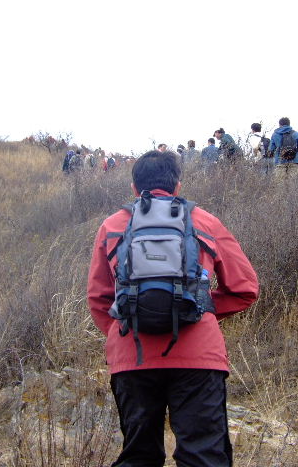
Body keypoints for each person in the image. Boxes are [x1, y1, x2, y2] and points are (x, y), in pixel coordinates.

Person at [87, 150, 259, 466]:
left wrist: (129, 322)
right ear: (178, 185)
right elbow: (245, 289)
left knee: (139, 457)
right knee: (203, 457)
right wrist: (196, 309)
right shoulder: (205, 221)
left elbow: (99, 298)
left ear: (134, 188)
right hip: (199, 357)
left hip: (132, 355)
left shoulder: (112, 226)